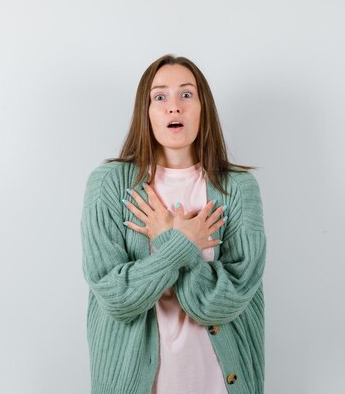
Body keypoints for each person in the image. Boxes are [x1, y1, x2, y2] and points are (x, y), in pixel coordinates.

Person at [80, 53, 267, 394]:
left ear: (202, 107)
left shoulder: (239, 189)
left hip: (220, 382)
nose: (174, 107)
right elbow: (116, 299)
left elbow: (227, 301)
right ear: (146, 111)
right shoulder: (108, 185)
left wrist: (167, 237)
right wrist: (184, 241)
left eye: (186, 94)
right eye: (160, 96)